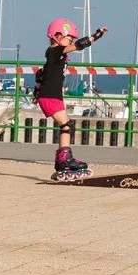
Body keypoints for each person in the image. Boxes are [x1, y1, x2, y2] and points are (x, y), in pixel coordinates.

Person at [35, 18, 108, 181]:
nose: (71, 42)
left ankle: (64, 160)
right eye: (69, 38)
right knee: (66, 126)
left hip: (51, 96)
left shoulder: (53, 56)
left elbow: (41, 74)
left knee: (67, 126)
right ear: (57, 36)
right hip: (50, 97)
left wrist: (36, 93)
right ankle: (64, 161)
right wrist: (96, 36)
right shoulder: (55, 51)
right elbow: (79, 46)